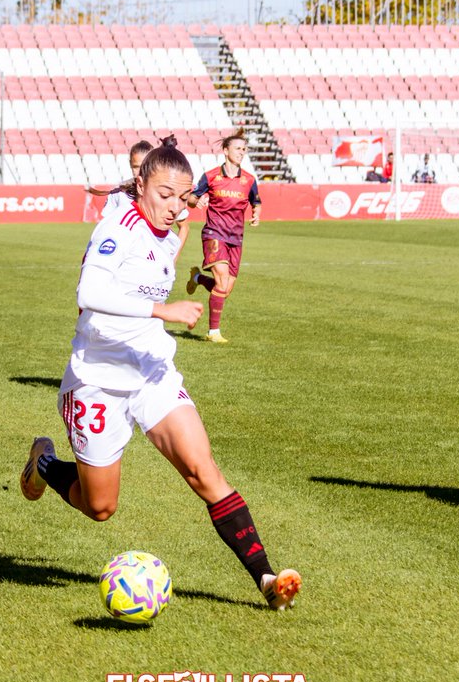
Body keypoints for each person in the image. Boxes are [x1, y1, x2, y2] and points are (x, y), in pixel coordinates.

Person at [20, 139, 301, 611]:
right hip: (99, 380)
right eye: (165, 194)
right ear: (141, 184)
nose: (175, 206)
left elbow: (170, 260)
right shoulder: (118, 225)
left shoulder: (172, 232)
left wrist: (194, 287)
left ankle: (267, 580)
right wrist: (161, 309)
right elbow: (88, 291)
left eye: (184, 196)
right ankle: (44, 461)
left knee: (203, 472)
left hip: (152, 370)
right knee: (100, 507)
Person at [185, 134, 260, 344]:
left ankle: (197, 278)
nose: (241, 152)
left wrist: (256, 214)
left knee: (224, 290)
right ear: (226, 151)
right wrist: (195, 201)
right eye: (237, 148)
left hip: (236, 237)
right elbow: (192, 198)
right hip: (214, 233)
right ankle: (213, 332)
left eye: (244, 149)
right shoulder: (210, 177)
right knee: (222, 281)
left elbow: (256, 201)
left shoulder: (249, 180)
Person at [87, 138, 189, 258]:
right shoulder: (119, 192)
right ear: (130, 163)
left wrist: (173, 258)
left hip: (157, 258)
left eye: (144, 165)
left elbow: (184, 227)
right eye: (136, 166)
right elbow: (106, 227)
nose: (140, 171)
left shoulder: (166, 191)